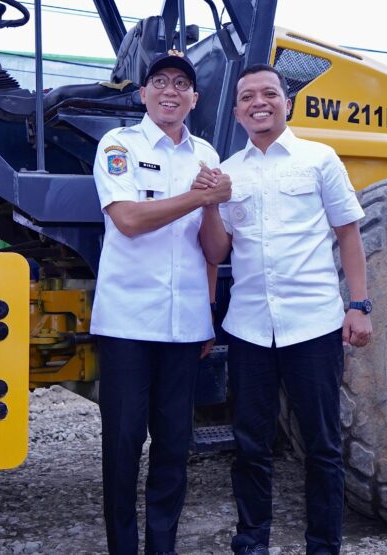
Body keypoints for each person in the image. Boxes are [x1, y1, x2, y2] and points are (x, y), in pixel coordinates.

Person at [196, 64, 372, 555]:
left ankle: (323, 546)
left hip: (313, 325)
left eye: (269, 93)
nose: (259, 102)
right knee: (250, 446)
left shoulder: (319, 159)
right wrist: (209, 202)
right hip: (250, 329)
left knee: (322, 447)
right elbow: (217, 252)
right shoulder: (228, 172)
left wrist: (359, 305)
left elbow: (348, 234)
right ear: (237, 111)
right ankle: (251, 542)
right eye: (248, 96)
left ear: (286, 103)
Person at [90, 50, 231, 555]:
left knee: (173, 447)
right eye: (161, 81)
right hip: (128, 323)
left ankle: (162, 547)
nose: (171, 90)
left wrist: (211, 206)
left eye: (181, 84)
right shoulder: (118, 145)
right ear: (143, 93)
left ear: (194, 98)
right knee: (123, 444)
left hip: (185, 326)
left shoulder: (207, 155)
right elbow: (128, 220)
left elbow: (215, 251)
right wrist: (199, 198)